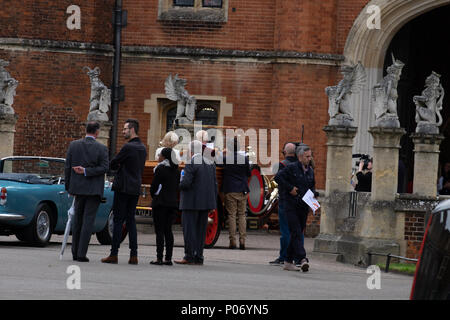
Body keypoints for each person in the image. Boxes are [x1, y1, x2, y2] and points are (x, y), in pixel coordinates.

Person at [101, 119, 147, 265]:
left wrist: (118, 164)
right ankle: (134, 254)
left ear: (132, 129)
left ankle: (114, 254)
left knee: (118, 220)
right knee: (131, 221)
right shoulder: (142, 148)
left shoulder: (128, 147)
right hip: (135, 188)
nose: (123, 131)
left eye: (125, 129)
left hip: (123, 187)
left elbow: (113, 162)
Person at [65, 121, 109, 262]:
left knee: (77, 220)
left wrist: (69, 187)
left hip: (77, 188)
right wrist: (87, 171)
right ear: (97, 132)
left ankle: (74, 252)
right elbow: (104, 168)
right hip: (93, 189)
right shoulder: (101, 148)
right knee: (87, 222)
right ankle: (81, 254)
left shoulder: (74, 145)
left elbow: (67, 168)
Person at [175, 140, 218, 265]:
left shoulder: (192, 162)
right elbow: (214, 185)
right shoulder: (210, 163)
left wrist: (179, 185)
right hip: (205, 202)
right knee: (201, 231)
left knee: (189, 230)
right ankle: (199, 256)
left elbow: (186, 183)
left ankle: (189, 256)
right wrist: (212, 203)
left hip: (191, 201)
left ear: (192, 150)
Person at [275, 145, 317, 272]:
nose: (309, 159)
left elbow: (312, 187)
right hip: (291, 205)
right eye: (307, 157)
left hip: (303, 206)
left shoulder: (310, 171)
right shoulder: (291, 168)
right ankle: (302, 258)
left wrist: (314, 200)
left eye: (310, 156)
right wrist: (290, 188)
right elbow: (278, 178)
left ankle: (288, 261)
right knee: (296, 231)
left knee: (296, 233)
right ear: (299, 157)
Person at [149, 148, 180, 265]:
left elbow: (154, 187)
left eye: (160, 155)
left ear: (165, 157)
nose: (158, 157)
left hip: (160, 203)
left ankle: (159, 257)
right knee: (168, 230)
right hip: (172, 203)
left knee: (159, 231)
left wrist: (154, 196)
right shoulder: (176, 171)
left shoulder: (160, 169)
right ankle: (168, 258)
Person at [269, 142, 298, 265]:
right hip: (297, 201)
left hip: (285, 200)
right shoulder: (299, 165)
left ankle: (284, 256)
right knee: (296, 231)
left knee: (285, 231)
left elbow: (277, 180)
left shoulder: (281, 165)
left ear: (285, 152)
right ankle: (297, 256)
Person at [221, 137, 251, 250]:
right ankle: (242, 240)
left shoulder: (226, 158)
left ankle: (232, 241)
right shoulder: (244, 159)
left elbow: (216, 163)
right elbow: (248, 173)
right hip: (242, 189)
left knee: (232, 215)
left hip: (230, 189)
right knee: (242, 215)